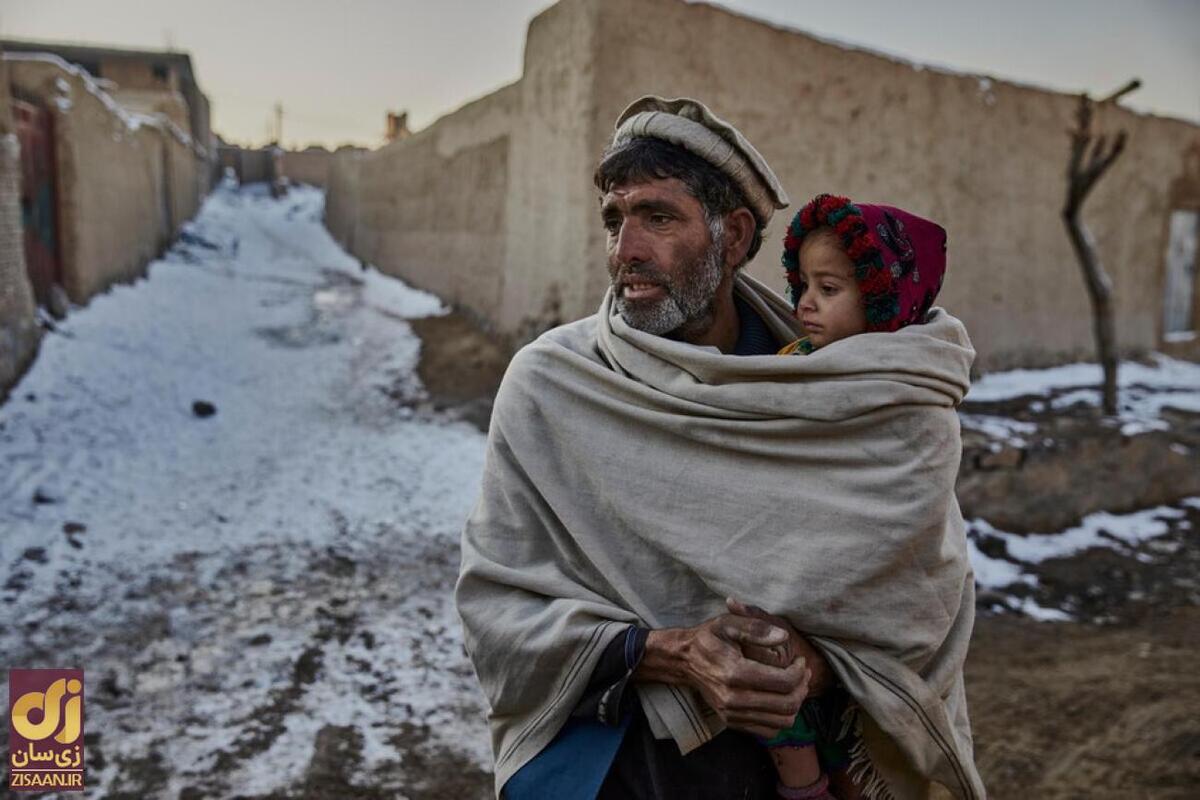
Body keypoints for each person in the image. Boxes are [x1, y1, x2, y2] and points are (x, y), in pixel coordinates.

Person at [456, 96, 985, 800]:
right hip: (613, 759)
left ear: (733, 236)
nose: (626, 251)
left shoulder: (836, 393)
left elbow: (917, 587)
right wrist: (668, 653)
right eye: (616, 220)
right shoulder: (552, 384)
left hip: (800, 760)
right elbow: (497, 605)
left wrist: (810, 665)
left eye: (659, 217)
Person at [755, 193, 951, 799]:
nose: (805, 303)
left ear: (882, 297)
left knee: (859, 752)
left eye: (830, 288)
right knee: (785, 722)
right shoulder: (793, 362)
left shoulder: (908, 389)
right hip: (784, 583)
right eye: (803, 283)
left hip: (859, 606)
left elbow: (909, 502)